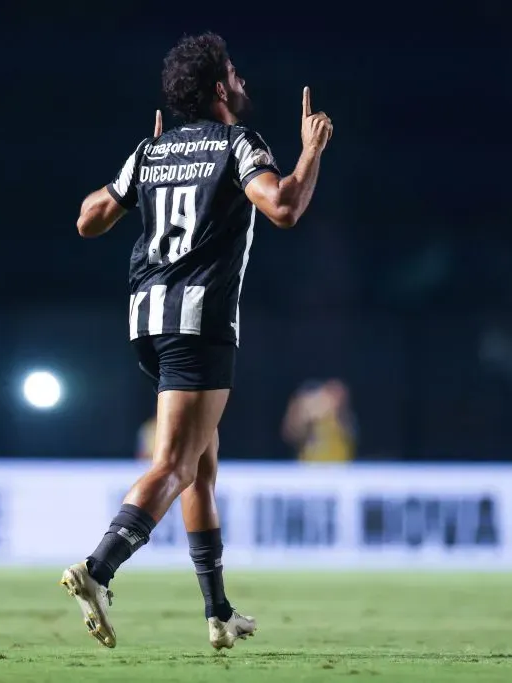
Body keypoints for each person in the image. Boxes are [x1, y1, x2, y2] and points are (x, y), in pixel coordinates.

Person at [62, 32, 333, 650]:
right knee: (176, 464)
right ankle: (97, 570)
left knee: (201, 469)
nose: (243, 81)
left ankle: (218, 612)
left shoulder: (152, 151)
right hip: (198, 322)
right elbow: (284, 207)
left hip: (145, 321)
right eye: (234, 72)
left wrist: (144, 166)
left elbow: (87, 219)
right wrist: (310, 151)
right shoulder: (239, 143)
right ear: (219, 89)